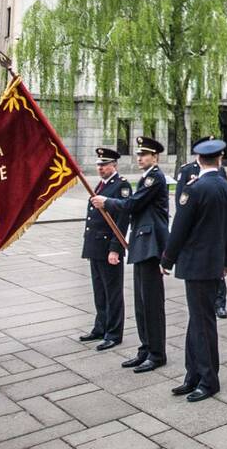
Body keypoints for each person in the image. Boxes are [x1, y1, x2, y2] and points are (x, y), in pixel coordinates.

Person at [160, 138, 227, 403]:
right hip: (214, 264)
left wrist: (167, 259)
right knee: (197, 320)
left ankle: (208, 379)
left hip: (196, 265)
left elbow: (179, 228)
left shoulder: (195, 189)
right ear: (220, 159)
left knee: (202, 323)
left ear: (198, 160)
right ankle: (192, 374)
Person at [92, 137, 169, 372]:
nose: (139, 158)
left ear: (154, 157)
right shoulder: (147, 177)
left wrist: (107, 201)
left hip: (151, 245)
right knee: (141, 303)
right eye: (138, 155)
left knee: (151, 303)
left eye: (144, 155)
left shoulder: (155, 177)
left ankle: (157, 354)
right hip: (141, 244)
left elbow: (132, 204)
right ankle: (145, 349)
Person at [79, 148, 130, 351]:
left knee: (113, 292)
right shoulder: (101, 185)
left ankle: (114, 333)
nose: (100, 168)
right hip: (96, 246)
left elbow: (123, 218)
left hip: (109, 247)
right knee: (99, 291)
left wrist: (115, 249)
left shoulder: (121, 185)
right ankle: (100, 327)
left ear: (114, 165)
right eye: (99, 165)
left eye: (104, 165)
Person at [175, 136, 227, 318]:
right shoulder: (188, 171)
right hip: (197, 232)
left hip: (214, 234)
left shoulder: (219, 172)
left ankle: (220, 302)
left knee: (217, 275)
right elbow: (180, 203)